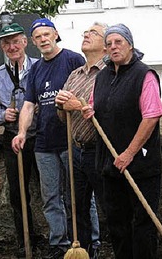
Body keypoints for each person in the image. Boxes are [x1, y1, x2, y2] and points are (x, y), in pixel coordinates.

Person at [82, 23, 162, 259]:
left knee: (142, 224)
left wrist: (129, 153)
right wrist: (89, 111)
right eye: (109, 44)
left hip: (139, 165)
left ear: (130, 44)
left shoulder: (144, 75)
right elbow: (94, 106)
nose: (113, 47)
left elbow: (151, 117)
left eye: (118, 42)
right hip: (110, 165)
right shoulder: (102, 77)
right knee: (117, 224)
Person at [11, 18, 85, 259]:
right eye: (38, 37)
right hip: (44, 143)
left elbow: (85, 93)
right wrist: (22, 133)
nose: (43, 39)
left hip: (70, 140)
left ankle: (85, 242)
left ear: (55, 35)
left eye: (46, 34)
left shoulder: (73, 60)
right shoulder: (36, 70)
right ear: (33, 42)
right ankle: (59, 245)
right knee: (50, 197)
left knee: (79, 196)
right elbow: (29, 105)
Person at [0, 22, 41, 258]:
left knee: (52, 189)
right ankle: (26, 240)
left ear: (25, 42)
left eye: (16, 41)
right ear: (2, 46)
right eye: (7, 43)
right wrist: (2, 114)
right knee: (18, 194)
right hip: (13, 139)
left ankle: (62, 239)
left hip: (41, 136)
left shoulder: (40, 68)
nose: (12, 46)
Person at [54, 22, 108, 258]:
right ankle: (84, 253)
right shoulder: (75, 74)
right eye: (85, 32)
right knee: (76, 208)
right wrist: (61, 105)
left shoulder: (109, 73)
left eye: (93, 33)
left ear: (106, 45)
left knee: (108, 206)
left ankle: (110, 250)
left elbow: (108, 110)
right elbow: (64, 116)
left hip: (100, 150)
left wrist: (80, 105)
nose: (86, 35)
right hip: (76, 149)